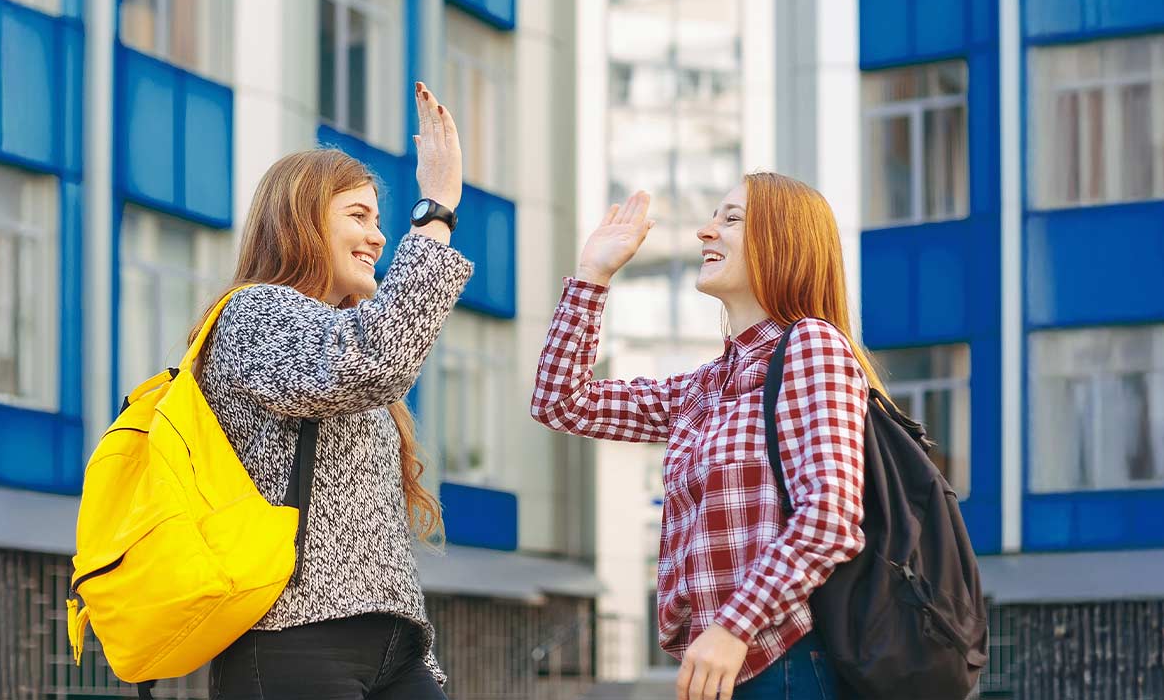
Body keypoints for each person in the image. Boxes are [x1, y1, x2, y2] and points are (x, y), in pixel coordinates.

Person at [530, 175, 877, 700]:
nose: (704, 231)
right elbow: (560, 401)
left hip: (786, 657)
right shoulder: (705, 386)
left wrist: (735, 626)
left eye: (730, 219)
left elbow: (830, 517)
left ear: (783, 241)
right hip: (720, 664)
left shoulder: (812, 344)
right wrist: (592, 276)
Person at [193, 83, 472, 700]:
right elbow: (377, 359)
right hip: (293, 643)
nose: (379, 236)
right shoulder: (254, 316)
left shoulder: (334, 334)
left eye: (381, 219)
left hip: (393, 647)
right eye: (358, 216)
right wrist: (436, 211)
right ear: (300, 224)